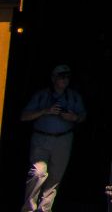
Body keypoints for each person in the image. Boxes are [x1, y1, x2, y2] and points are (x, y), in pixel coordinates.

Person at [20, 64, 84, 212]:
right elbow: (24, 116)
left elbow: (82, 116)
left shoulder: (73, 97)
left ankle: (44, 210)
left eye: (67, 77)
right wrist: (45, 111)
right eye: (61, 76)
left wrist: (73, 117)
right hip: (42, 139)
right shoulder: (42, 95)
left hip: (63, 140)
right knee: (38, 173)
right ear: (53, 78)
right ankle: (28, 209)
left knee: (55, 178)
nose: (65, 80)